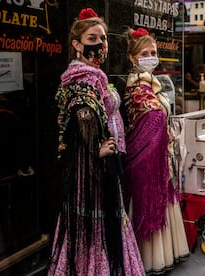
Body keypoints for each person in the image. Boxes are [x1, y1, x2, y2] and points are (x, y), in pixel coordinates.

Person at [48, 8, 145, 276]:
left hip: (83, 165)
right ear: (76, 44)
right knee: (101, 221)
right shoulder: (87, 75)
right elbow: (84, 111)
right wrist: (98, 146)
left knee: (87, 221)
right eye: (92, 38)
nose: (100, 45)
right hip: (93, 166)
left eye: (103, 39)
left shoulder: (83, 72)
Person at [123, 27, 189, 275]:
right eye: (145, 53)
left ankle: (161, 256)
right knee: (149, 204)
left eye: (153, 53)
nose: (151, 57)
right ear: (132, 58)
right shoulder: (137, 86)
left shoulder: (153, 83)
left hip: (159, 155)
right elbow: (154, 118)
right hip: (145, 158)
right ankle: (150, 259)